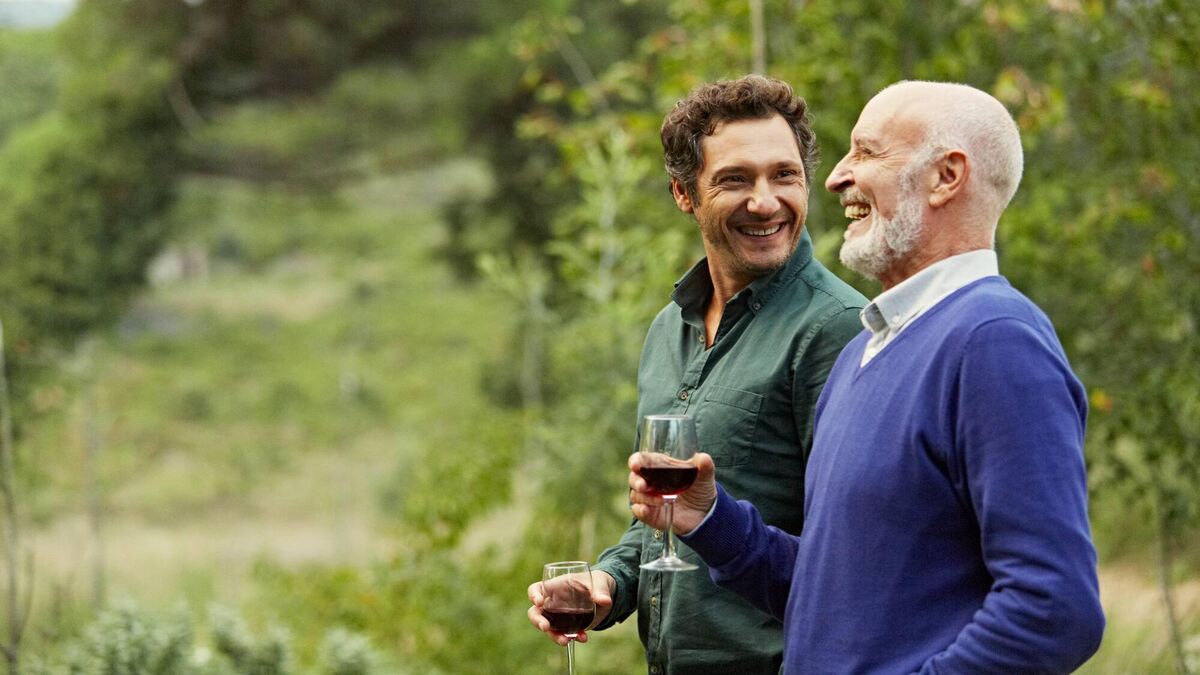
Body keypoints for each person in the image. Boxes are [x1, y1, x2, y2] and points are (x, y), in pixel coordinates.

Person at [627, 80, 1106, 674]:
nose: (834, 178)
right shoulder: (869, 349)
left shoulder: (994, 339)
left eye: (868, 152)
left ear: (946, 177)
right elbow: (830, 599)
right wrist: (711, 521)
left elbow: (1055, 609)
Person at [527, 75, 866, 673]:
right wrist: (610, 582)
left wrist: (713, 523)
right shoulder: (669, 328)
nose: (766, 202)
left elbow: (852, 567)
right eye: (735, 180)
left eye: (784, 175)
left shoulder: (836, 329)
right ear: (684, 194)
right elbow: (662, 517)